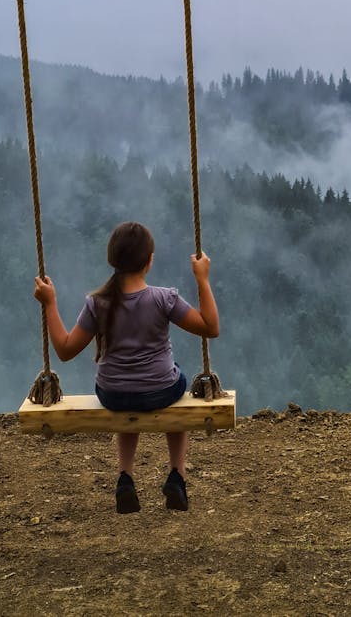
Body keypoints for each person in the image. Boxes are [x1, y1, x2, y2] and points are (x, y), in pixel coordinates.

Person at [32, 220, 220, 514]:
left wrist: (50, 303)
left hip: (113, 394)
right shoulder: (164, 298)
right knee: (176, 381)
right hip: (160, 391)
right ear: (149, 261)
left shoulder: (98, 303)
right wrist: (203, 280)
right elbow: (211, 327)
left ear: (112, 260)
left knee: (127, 390)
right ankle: (177, 475)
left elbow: (65, 350)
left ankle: (126, 477)